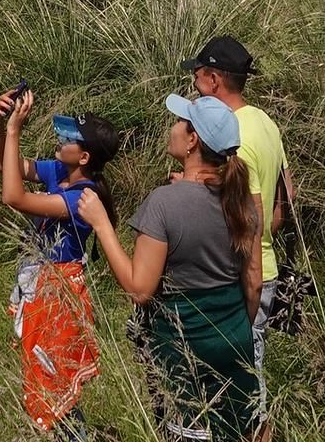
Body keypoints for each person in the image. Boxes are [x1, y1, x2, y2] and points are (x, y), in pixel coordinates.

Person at [77, 94, 264, 442]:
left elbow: (140, 289)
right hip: (235, 339)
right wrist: (234, 330)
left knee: (188, 431)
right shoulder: (243, 204)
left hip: (184, 347)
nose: (174, 127)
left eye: (180, 122)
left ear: (192, 140)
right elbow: (253, 283)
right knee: (237, 431)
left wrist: (102, 225)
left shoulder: (164, 203)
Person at [0, 86, 120, 436]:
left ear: (84, 158)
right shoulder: (57, 174)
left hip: (58, 296)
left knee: (53, 383)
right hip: (40, 285)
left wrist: (16, 131)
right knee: (40, 378)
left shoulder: (81, 198)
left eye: (70, 138)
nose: (60, 138)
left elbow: (12, 196)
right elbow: (3, 164)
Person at [184, 36, 293, 394]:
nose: (195, 86)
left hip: (242, 273)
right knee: (249, 373)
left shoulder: (232, 135)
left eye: (197, 76)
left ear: (214, 79)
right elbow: (284, 202)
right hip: (265, 265)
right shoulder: (265, 122)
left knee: (239, 388)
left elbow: (253, 214)